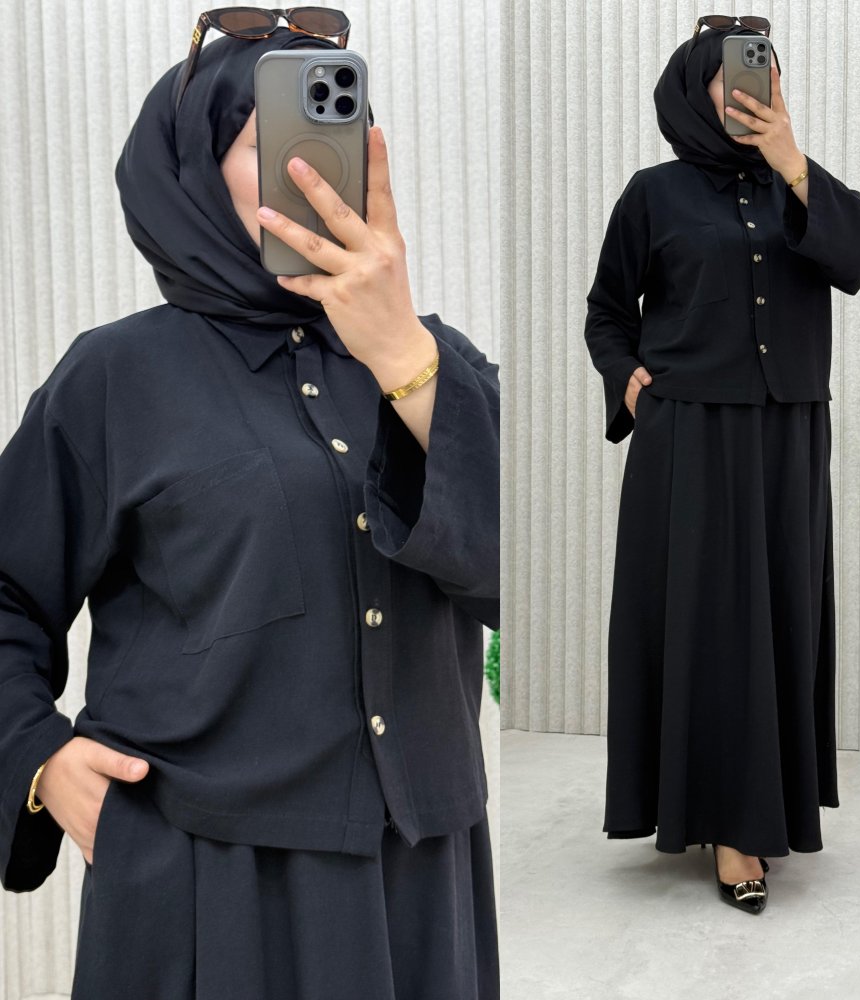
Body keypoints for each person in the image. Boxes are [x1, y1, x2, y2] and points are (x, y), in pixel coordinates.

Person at [0, 17, 499, 999]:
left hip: (419, 877)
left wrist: (402, 357)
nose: (316, 168)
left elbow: (510, 579)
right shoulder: (116, 377)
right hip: (204, 883)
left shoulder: (441, 365)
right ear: (191, 170)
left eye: (339, 132)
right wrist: (37, 756)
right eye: (271, 138)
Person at [584, 20, 860, 915]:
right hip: (689, 437)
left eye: (767, 72)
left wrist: (794, 162)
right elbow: (608, 310)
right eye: (732, 76)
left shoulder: (802, 188)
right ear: (695, 89)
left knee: (780, 616)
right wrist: (627, 380)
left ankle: (764, 809)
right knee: (710, 624)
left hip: (789, 432)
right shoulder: (654, 194)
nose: (753, 89)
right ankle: (728, 828)